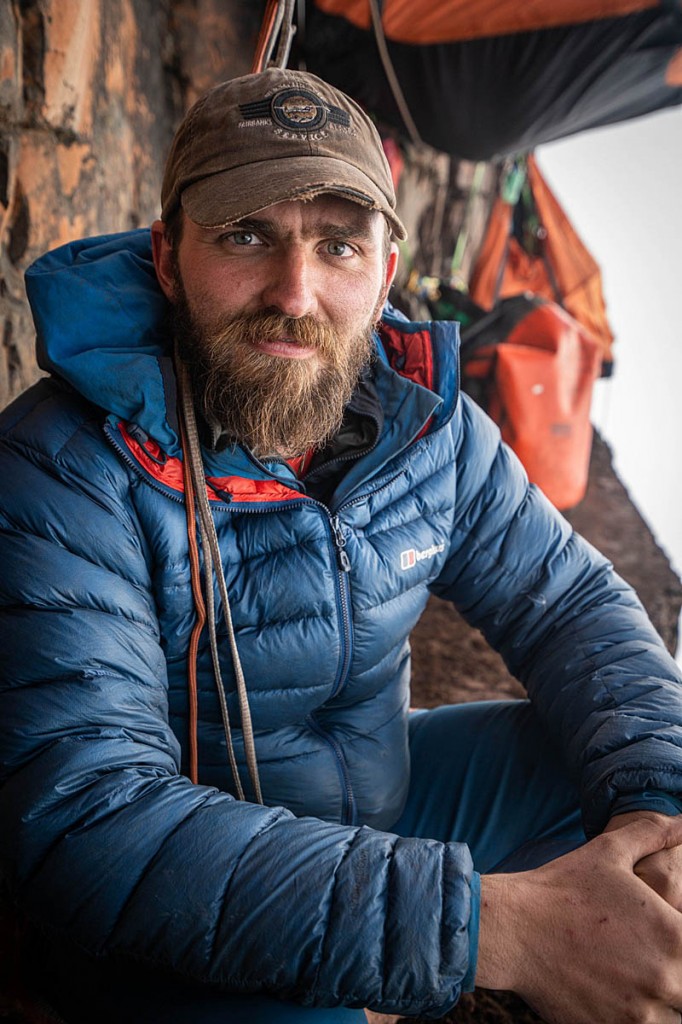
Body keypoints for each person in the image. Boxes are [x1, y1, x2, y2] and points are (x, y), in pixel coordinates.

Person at [1, 66, 682, 1024]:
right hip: (175, 909)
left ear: (385, 272)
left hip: (386, 806)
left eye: (338, 245)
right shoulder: (63, 469)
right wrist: (492, 929)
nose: (296, 293)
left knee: (610, 777)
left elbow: (568, 603)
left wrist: (661, 810)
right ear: (168, 258)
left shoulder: (427, 426)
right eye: (246, 236)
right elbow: (91, 817)